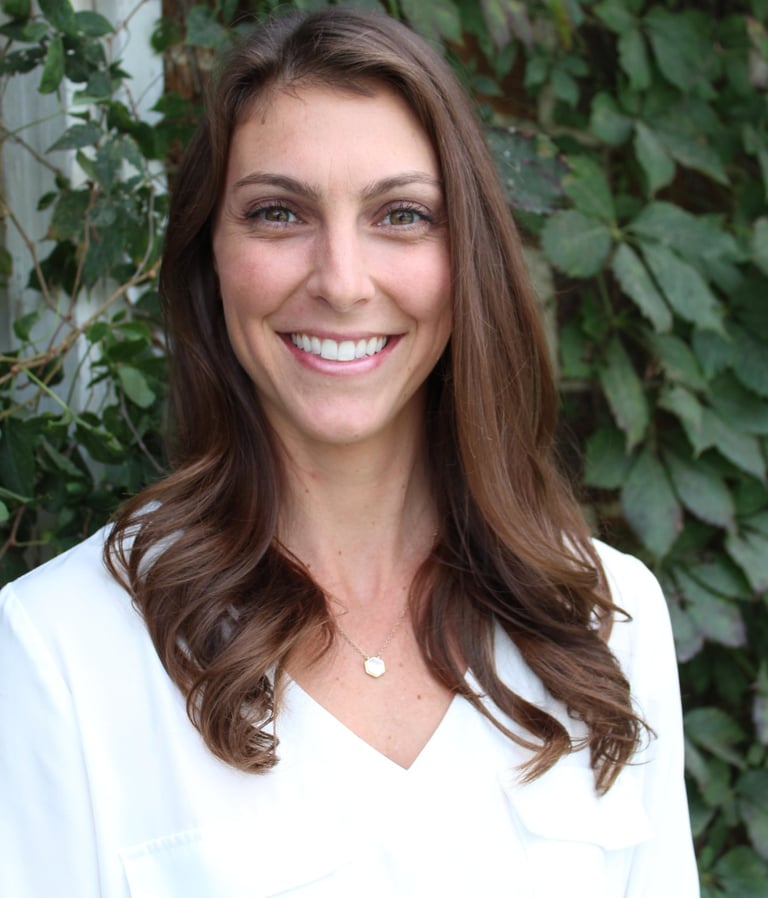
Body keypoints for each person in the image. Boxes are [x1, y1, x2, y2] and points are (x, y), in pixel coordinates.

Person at [0, 7, 699, 897]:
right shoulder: (60, 649)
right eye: (278, 213)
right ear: (211, 258)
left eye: (401, 215)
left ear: (469, 256)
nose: (341, 280)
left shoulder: (605, 620)